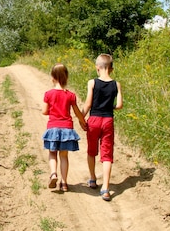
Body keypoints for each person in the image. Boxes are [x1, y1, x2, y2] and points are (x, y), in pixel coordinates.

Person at [82, 54, 123, 201]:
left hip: (93, 120)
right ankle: (105, 188)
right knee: (107, 155)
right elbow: (119, 105)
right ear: (111, 69)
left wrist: (81, 118)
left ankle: (93, 179)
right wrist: (109, 106)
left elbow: (88, 104)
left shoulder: (92, 83)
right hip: (108, 120)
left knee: (91, 151)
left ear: (97, 68)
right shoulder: (116, 84)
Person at [42, 63, 87, 192]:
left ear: (52, 77)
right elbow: (77, 112)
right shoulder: (71, 95)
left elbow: (45, 111)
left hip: (53, 127)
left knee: (52, 153)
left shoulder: (48, 94)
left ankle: (53, 174)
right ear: (66, 77)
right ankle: (64, 183)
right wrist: (82, 121)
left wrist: (50, 108)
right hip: (67, 128)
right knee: (64, 156)